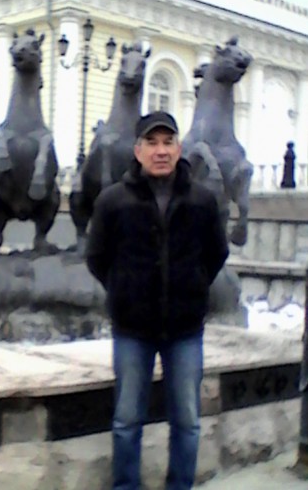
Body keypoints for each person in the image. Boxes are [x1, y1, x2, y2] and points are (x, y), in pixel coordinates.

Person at [85, 110, 229, 490]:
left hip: (185, 330)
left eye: (168, 142)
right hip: (132, 329)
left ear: (179, 149)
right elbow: (97, 257)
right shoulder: (113, 201)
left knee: (187, 421)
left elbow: (217, 253)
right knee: (126, 420)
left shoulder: (201, 200)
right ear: (138, 151)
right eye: (152, 142)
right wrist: (124, 289)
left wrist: (194, 286)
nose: (160, 151)